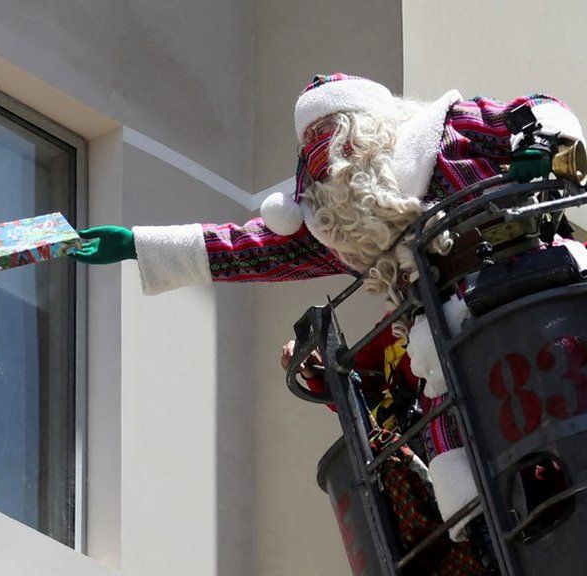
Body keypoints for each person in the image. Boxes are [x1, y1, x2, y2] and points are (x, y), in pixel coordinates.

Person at [73, 73, 585, 541]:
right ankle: (488, 538)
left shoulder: (448, 131)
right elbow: (250, 248)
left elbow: (539, 109)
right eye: (313, 152)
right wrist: (138, 244)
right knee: (456, 452)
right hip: (448, 349)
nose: (327, 163)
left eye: (333, 137)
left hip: (533, 288)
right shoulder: (345, 223)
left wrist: (539, 143)